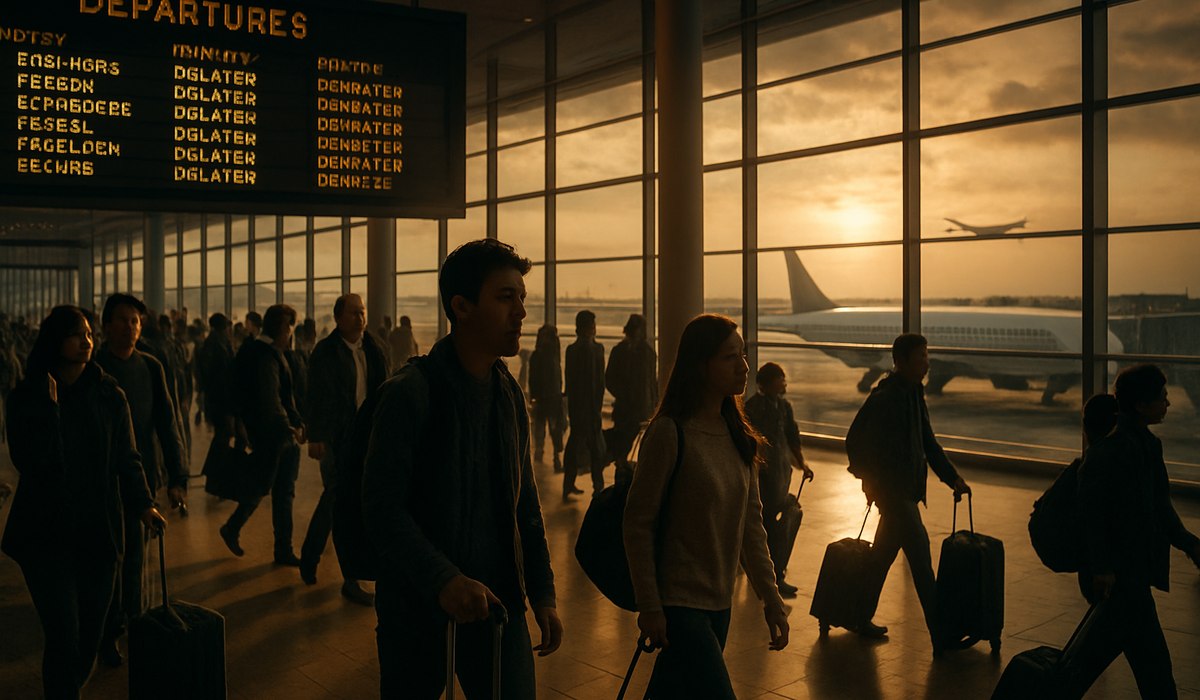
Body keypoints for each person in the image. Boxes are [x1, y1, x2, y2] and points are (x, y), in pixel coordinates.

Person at [363, 239, 561, 699]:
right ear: (462, 307)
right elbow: (381, 509)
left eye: (522, 298)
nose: (521, 312)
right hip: (417, 609)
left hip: (499, 608)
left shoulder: (509, 394)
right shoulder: (410, 395)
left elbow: (524, 504)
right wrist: (444, 580)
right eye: (505, 297)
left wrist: (543, 594)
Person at [2, 306, 166, 699]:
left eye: (89, 334)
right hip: (47, 532)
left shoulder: (109, 394)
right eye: (76, 334)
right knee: (63, 633)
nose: (86, 341)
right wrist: (51, 411)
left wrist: (144, 504)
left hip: (98, 529)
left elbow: (128, 457)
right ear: (55, 341)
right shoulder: (28, 395)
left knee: (91, 634)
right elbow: (30, 460)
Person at [623, 314, 789, 698]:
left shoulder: (739, 436)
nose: (744, 366)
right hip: (679, 606)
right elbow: (637, 523)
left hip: (720, 603)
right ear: (701, 365)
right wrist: (649, 605)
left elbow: (752, 527)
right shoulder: (669, 432)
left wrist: (771, 598)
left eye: (743, 355)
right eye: (730, 357)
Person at [1062, 365, 1200, 699]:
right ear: (1140, 405)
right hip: (1122, 576)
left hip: (1125, 574)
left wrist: (1188, 544)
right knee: (1152, 666)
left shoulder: (1139, 447)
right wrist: (1103, 568)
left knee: (1096, 657)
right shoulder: (1121, 451)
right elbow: (1096, 516)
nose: (1168, 403)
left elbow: (1157, 506)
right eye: (1162, 397)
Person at [845, 333, 971, 651]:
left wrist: (951, 477)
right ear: (900, 362)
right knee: (922, 562)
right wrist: (869, 483)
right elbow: (854, 440)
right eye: (921, 358)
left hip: (905, 492)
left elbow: (928, 441)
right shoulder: (885, 398)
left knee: (880, 559)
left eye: (927, 357)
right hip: (895, 495)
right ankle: (941, 635)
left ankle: (858, 617)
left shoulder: (914, 392)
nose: (926, 363)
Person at [92, 294, 188, 666]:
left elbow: (168, 424)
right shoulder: (93, 368)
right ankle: (105, 629)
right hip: (100, 483)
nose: (130, 327)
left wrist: (177, 476)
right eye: (122, 320)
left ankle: (126, 626)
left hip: (140, 480)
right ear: (105, 326)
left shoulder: (150, 367)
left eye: (135, 321)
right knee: (107, 561)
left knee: (134, 559)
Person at [301, 294, 388, 606]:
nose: (360, 317)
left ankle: (323, 563)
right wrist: (317, 435)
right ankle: (328, 567)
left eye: (362, 311)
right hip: (337, 438)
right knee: (337, 499)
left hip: (365, 438)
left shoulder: (373, 347)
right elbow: (317, 395)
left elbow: (384, 387)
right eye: (354, 313)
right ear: (338, 318)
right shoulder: (326, 352)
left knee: (344, 501)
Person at [219, 304, 305, 565]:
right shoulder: (268, 356)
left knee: (267, 486)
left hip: (269, 432)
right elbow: (272, 398)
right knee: (277, 489)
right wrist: (289, 427)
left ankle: (239, 530)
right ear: (282, 328)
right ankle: (279, 548)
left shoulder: (255, 351)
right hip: (277, 435)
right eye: (289, 326)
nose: (291, 333)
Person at [744, 362, 814, 599]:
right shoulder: (753, 407)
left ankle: (773, 573)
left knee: (780, 522)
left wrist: (802, 464)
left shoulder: (784, 407)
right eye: (779, 378)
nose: (784, 382)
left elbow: (792, 437)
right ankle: (773, 576)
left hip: (780, 475)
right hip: (763, 477)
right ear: (767, 383)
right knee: (769, 526)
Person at [605, 313, 658, 481]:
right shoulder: (648, 353)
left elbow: (610, 379)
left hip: (628, 408)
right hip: (640, 408)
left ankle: (621, 473)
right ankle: (626, 475)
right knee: (630, 445)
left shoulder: (620, 351)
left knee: (623, 445)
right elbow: (651, 382)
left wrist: (622, 394)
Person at [563, 309, 607, 501]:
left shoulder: (572, 350)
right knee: (596, 450)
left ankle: (569, 484)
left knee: (574, 446)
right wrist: (596, 408)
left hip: (578, 408)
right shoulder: (596, 349)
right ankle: (598, 487)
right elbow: (598, 383)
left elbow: (571, 382)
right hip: (590, 410)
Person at [528, 324, 565, 472]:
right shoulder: (554, 354)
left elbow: (533, 378)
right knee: (555, 429)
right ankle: (555, 458)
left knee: (540, 427)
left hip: (543, 398)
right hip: (553, 397)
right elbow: (558, 375)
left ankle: (539, 454)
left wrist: (533, 397)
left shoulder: (537, 355)